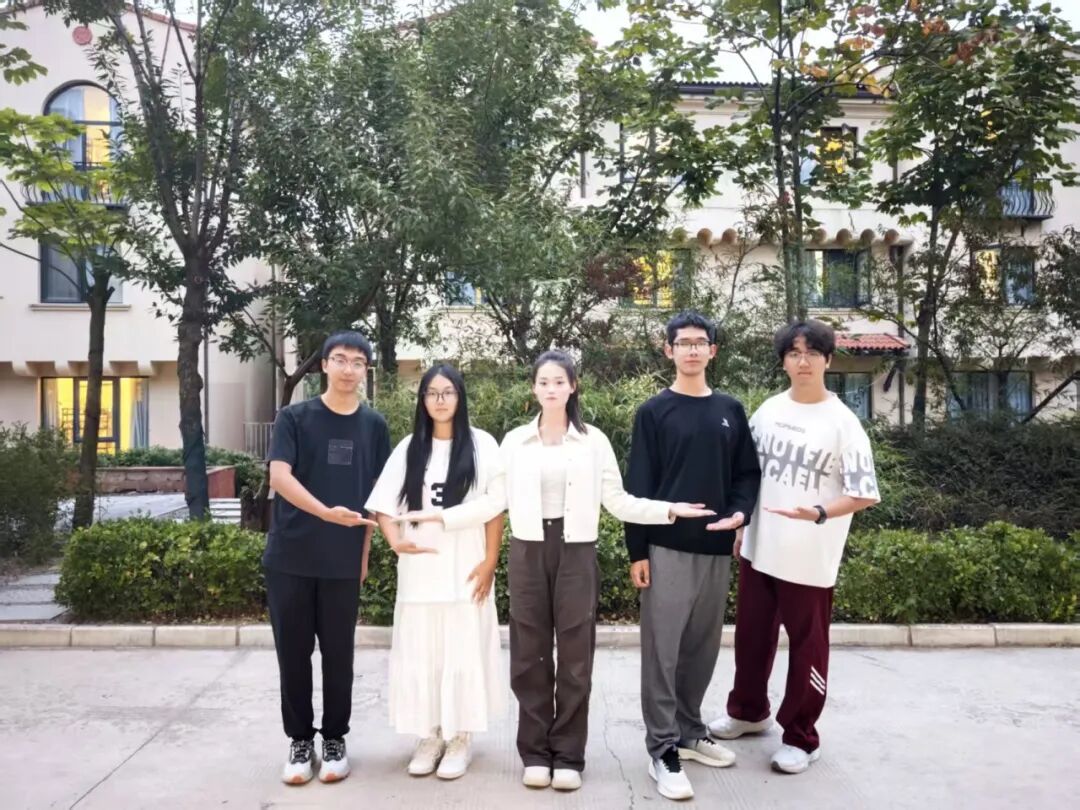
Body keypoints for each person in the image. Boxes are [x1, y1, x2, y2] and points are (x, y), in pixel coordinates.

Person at [424, 350, 716, 792]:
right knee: (529, 655)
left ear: (573, 387)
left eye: (559, 381)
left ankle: (568, 755)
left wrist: (667, 510)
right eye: (543, 382)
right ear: (533, 388)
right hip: (528, 551)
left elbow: (618, 501)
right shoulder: (515, 442)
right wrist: (443, 517)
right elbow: (493, 502)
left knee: (576, 657)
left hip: (577, 553)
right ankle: (535, 753)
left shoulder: (593, 441)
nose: (551, 389)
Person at [708, 320, 879, 775]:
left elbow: (864, 494)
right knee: (751, 637)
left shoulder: (843, 424)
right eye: (794, 354)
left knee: (808, 647)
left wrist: (819, 512)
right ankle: (748, 712)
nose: (803, 362)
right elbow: (749, 475)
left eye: (812, 353)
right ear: (783, 361)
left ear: (828, 359)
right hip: (760, 548)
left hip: (809, 558)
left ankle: (802, 737)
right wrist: (742, 526)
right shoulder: (769, 411)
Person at [624, 311, 762, 802]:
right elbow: (638, 486)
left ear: (712, 351)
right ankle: (662, 747)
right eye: (683, 343)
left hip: (716, 549)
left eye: (700, 342)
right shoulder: (654, 412)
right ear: (669, 351)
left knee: (701, 650)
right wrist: (637, 550)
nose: (692, 350)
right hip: (666, 548)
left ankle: (688, 730)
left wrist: (740, 514)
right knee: (662, 653)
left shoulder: (730, 409)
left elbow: (747, 474)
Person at [364, 364, 505, 781]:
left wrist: (490, 561)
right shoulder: (410, 447)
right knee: (422, 654)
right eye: (431, 393)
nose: (440, 400)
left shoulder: (481, 445)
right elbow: (383, 505)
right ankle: (429, 735)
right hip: (420, 573)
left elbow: (496, 507)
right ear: (422, 400)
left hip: (466, 568)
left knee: (462, 652)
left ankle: (460, 736)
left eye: (448, 392)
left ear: (460, 397)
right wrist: (395, 541)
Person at [263, 330, 391, 786]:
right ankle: (300, 742)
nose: (348, 369)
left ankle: (335, 739)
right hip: (290, 557)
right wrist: (324, 513)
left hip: (342, 561)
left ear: (365, 370)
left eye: (358, 362)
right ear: (324, 365)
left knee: (339, 655)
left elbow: (377, 495)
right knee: (293, 654)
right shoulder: (294, 418)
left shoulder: (374, 425)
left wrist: (364, 552)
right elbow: (279, 477)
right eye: (340, 359)